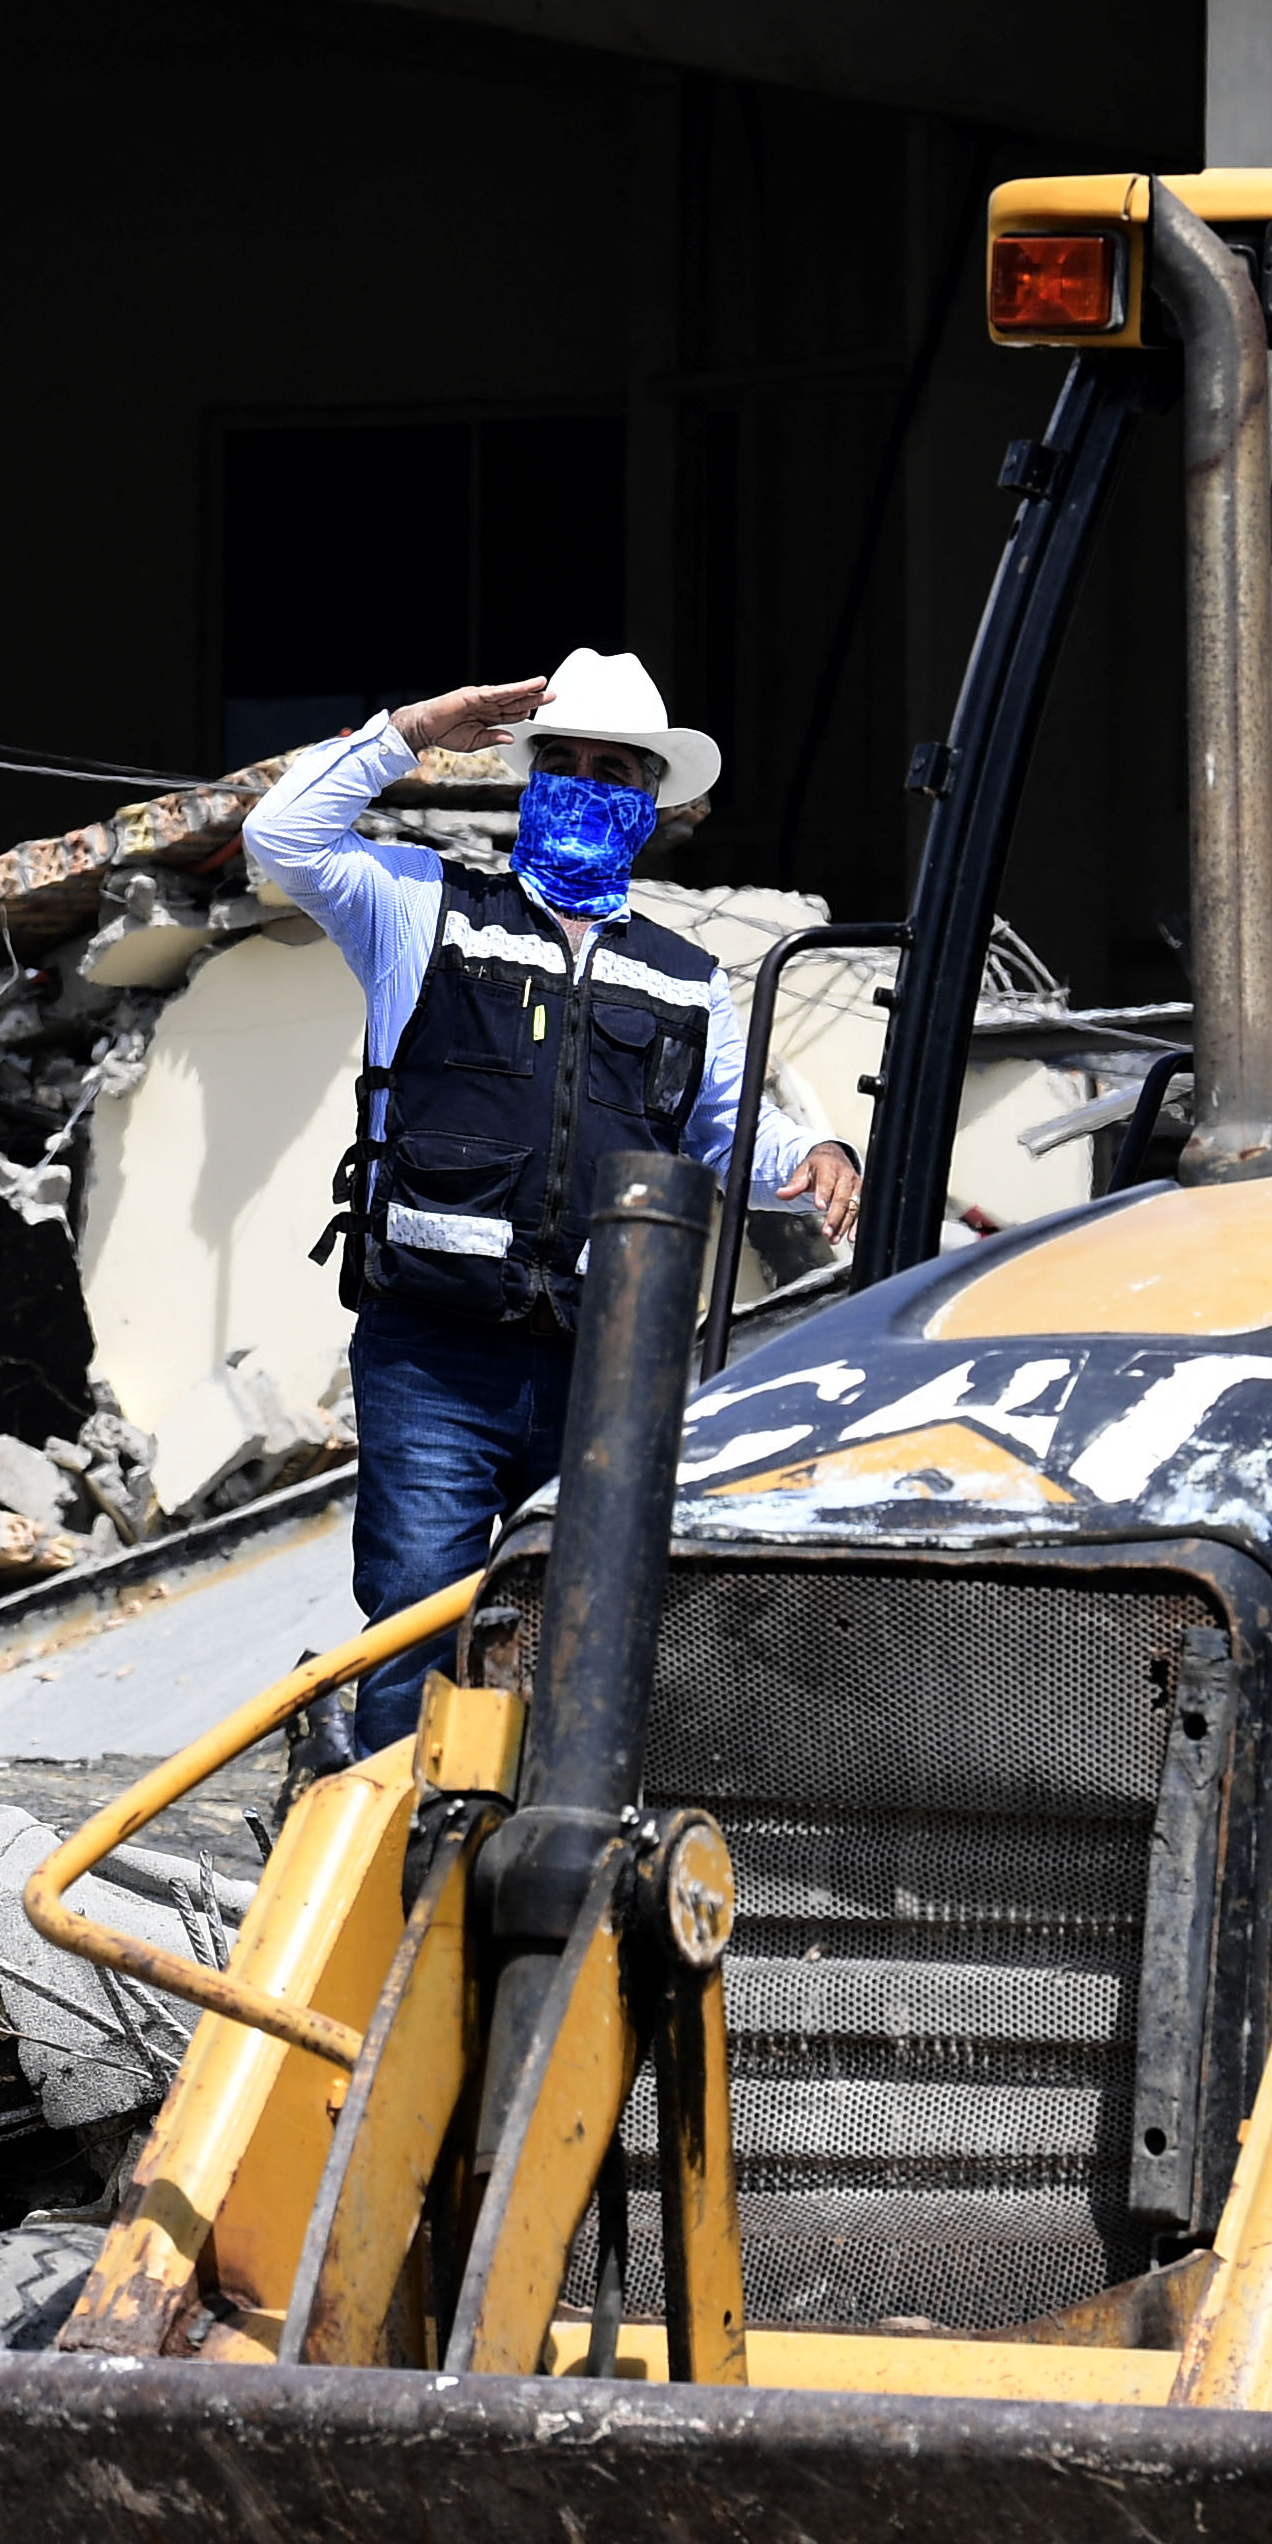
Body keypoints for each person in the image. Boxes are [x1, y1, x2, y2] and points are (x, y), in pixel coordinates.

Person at [246, 651, 860, 1753]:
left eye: (610, 768)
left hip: (602, 1367)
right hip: (435, 1354)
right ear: (528, 780)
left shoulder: (685, 977)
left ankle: (530, 1878)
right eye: (561, 763)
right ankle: (394, 1882)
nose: (583, 782)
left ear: (650, 801)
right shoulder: (421, 908)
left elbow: (721, 1133)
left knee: (586, 1641)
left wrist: (814, 1150)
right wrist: (412, 729)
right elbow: (281, 837)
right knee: (418, 1628)